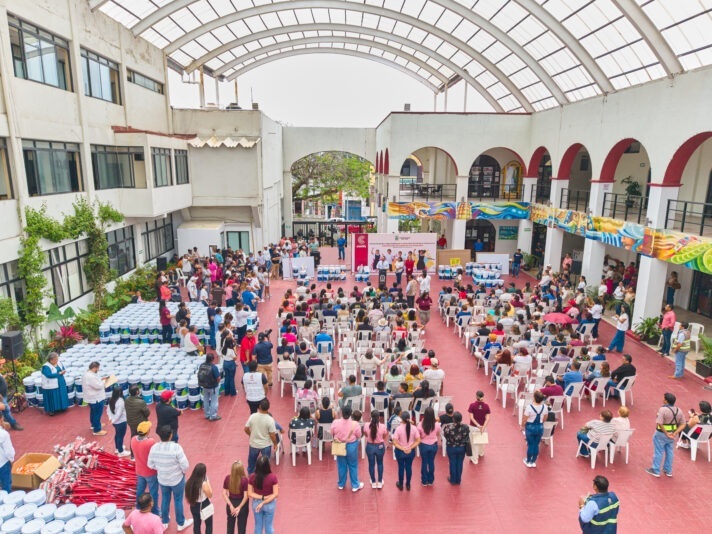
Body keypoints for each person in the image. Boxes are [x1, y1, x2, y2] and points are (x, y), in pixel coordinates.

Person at [147, 425, 192, 531]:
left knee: (165, 499)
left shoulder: (154, 447)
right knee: (178, 500)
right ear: (171, 435)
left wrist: (160, 468)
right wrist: (182, 472)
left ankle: (165, 521)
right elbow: (185, 465)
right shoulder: (176, 448)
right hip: (177, 479)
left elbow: (150, 464)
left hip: (162, 479)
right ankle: (181, 523)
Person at [646, 392, 686, 477]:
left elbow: (659, 423)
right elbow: (683, 424)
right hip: (672, 434)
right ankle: (668, 470)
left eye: (664, 398)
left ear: (666, 401)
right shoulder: (679, 410)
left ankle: (656, 470)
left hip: (661, 434)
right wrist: (675, 433)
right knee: (670, 451)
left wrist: (666, 433)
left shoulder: (662, 410)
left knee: (658, 451)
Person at [331, 404, 364, 491]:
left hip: (340, 445)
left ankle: (341, 484)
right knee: (353, 465)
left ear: (341, 412)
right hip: (352, 445)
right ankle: (355, 485)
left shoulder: (335, 422)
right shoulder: (355, 424)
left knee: (341, 465)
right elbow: (359, 435)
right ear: (351, 413)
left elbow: (332, 432)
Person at [132, 421, 159, 516]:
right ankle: (155, 511)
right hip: (150, 472)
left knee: (140, 489)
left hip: (139, 470)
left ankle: (138, 507)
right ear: (147, 431)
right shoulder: (150, 442)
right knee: (153, 492)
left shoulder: (133, 439)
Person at [244, 399, 278, 475]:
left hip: (254, 444)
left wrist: (251, 434)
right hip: (265, 445)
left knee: (251, 463)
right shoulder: (270, 420)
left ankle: (250, 476)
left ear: (259, 406)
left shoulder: (252, 416)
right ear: (268, 408)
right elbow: (272, 435)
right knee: (265, 465)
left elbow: (246, 429)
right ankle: (265, 477)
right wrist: (275, 444)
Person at [247, 456, 278, 534]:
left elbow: (250, 493)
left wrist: (262, 498)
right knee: (269, 526)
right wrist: (265, 500)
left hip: (256, 503)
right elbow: (275, 494)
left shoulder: (252, 477)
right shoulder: (273, 477)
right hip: (269, 503)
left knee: (258, 526)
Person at [392, 411, 419, 491]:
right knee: (409, 467)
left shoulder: (398, 429)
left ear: (401, 419)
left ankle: (400, 484)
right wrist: (410, 447)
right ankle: (408, 485)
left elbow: (394, 442)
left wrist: (402, 448)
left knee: (401, 467)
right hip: (410, 452)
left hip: (400, 452)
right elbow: (418, 440)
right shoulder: (414, 428)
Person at [522, 391, 548, 468]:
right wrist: (541, 423)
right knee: (536, 445)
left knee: (530, 445)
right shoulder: (544, 407)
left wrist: (522, 426)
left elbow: (525, 418)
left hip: (530, 427)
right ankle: (533, 461)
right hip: (540, 427)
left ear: (534, 398)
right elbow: (545, 418)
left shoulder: (529, 407)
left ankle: (528, 461)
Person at [442, 411, 470, 484]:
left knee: (452, 463)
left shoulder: (448, 427)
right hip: (462, 448)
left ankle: (453, 479)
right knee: (460, 463)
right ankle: (458, 479)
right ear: (461, 419)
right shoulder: (466, 427)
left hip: (451, 448)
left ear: (453, 419)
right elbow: (467, 435)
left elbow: (445, 435)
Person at [185, 463, 213, 534]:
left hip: (194, 505)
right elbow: (210, 495)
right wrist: (208, 482)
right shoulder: (203, 484)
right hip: (204, 504)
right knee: (209, 525)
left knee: (196, 525)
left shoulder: (190, 481)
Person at [223, 460, 249, 534]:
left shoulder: (228, 478)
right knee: (242, 528)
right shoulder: (244, 480)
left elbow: (224, 493)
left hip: (231, 502)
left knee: (230, 527)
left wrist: (231, 505)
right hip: (242, 505)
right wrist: (239, 507)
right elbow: (245, 496)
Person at [83, 361, 109, 436]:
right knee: (97, 413)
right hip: (96, 398)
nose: (98, 369)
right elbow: (98, 386)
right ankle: (97, 430)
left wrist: (101, 379)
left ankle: (94, 424)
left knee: (93, 412)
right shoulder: (90, 376)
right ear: (94, 368)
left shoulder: (87, 373)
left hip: (92, 397)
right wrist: (104, 381)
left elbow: (95, 381)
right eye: (98, 368)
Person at [364, 410, 388, 489]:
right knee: (380, 463)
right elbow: (384, 436)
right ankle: (380, 482)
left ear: (371, 416)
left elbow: (366, 434)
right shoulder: (383, 426)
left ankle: (373, 482)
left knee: (371, 464)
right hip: (380, 446)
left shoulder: (366, 425)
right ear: (379, 417)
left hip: (370, 447)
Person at [417, 407, 440, 486]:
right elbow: (437, 434)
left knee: (424, 462)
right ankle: (431, 480)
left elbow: (418, 436)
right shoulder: (436, 424)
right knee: (431, 462)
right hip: (434, 445)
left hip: (423, 445)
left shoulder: (420, 424)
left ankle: (424, 480)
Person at [40, 352, 68, 416]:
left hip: (60, 382)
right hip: (50, 385)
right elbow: (48, 375)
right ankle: (51, 410)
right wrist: (59, 373)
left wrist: (63, 371)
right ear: (51, 360)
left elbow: (62, 368)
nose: (57, 360)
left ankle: (62, 407)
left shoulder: (59, 363)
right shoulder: (46, 366)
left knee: (61, 395)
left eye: (57, 359)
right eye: (55, 359)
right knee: (52, 397)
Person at [126, 385, 150, 459]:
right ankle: (143, 455)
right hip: (140, 423)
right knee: (143, 438)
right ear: (137, 392)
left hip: (131, 422)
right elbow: (147, 413)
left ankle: (133, 455)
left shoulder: (127, 400)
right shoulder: (141, 402)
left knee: (133, 437)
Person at [467, 390, 490, 463]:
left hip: (474, 427)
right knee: (481, 442)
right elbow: (487, 418)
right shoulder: (486, 406)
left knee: (474, 444)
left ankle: (474, 459)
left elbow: (471, 417)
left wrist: (478, 425)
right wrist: (483, 427)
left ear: (476, 396)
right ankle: (481, 453)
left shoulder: (472, 405)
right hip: (483, 428)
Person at [107, 386, 130, 457]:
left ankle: (117, 448)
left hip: (115, 422)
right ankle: (121, 452)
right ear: (120, 392)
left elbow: (108, 410)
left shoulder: (111, 399)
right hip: (121, 422)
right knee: (121, 436)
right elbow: (119, 414)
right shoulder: (121, 401)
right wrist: (114, 420)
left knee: (117, 434)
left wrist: (111, 419)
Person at [198, 354, 222, 422]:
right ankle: (213, 416)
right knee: (214, 401)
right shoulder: (214, 367)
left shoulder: (202, 365)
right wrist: (217, 383)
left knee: (206, 400)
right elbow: (218, 378)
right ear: (212, 359)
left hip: (204, 386)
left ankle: (207, 415)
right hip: (213, 386)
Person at [220, 326, 238, 396]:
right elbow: (235, 358)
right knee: (231, 378)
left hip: (225, 363)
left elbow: (222, 355)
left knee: (227, 377)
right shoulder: (230, 350)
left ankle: (226, 391)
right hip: (231, 363)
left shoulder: (223, 349)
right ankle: (233, 392)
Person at [0, 421, 14, 492]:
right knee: (6, 486)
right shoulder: (3, 434)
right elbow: (9, 451)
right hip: (3, 463)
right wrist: (11, 460)